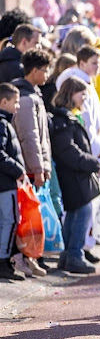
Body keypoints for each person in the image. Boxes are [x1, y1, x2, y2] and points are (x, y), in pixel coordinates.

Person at [51, 77, 100, 274]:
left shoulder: (67, 117)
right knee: (82, 212)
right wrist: (91, 162)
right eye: (81, 94)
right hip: (74, 174)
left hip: (76, 173)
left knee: (75, 214)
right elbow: (68, 150)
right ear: (71, 94)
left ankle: (68, 255)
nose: (84, 99)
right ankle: (74, 255)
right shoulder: (63, 120)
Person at [11, 48, 53, 274]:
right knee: (25, 216)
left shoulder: (33, 94)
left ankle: (31, 256)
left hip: (32, 165)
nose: (47, 74)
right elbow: (30, 137)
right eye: (45, 70)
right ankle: (23, 257)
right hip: (27, 167)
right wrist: (38, 168)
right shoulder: (26, 99)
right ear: (34, 71)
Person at [0, 83, 26, 281]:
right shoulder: (2, 124)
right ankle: (3, 262)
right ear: (4, 102)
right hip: (5, 183)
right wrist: (18, 170)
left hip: (5, 182)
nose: (17, 106)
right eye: (15, 102)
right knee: (9, 221)